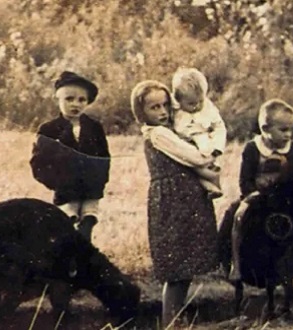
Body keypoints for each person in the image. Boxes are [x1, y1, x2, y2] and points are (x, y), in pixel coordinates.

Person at [130, 80, 219, 328]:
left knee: (185, 264)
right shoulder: (157, 134)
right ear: (142, 113)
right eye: (154, 107)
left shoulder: (171, 129)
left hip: (186, 198)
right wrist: (207, 156)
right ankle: (171, 320)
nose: (161, 112)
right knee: (176, 267)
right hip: (172, 202)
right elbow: (191, 157)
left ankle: (176, 316)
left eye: (165, 106)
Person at [226, 99, 293, 280]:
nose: (288, 135)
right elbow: (245, 180)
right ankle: (236, 264)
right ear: (265, 128)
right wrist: (254, 195)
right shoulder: (253, 149)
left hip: (285, 199)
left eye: (291, 129)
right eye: (283, 130)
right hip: (257, 197)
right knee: (238, 216)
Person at [30, 71, 110, 242]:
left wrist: (99, 181)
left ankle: (84, 261)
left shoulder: (94, 127)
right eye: (69, 99)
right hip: (65, 190)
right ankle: (66, 263)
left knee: (88, 222)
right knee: (66, 224)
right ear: (57, 99)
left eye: (82, 100)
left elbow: (104, 157)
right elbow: (38, 163)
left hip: (90, 188)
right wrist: (56, 182)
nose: (76, 104)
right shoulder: (49, 130)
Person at [171, 67, 227, 198]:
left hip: (206, 142)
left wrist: (217, 147)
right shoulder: (175, 111)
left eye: (200, 101)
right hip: (185, 144)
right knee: (192, 167)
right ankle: (210, 186)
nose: (197, 106)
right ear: (178, 100)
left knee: (210, 165)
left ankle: (214, 185)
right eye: (191, 103)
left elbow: (219, 127)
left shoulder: (208, 109)